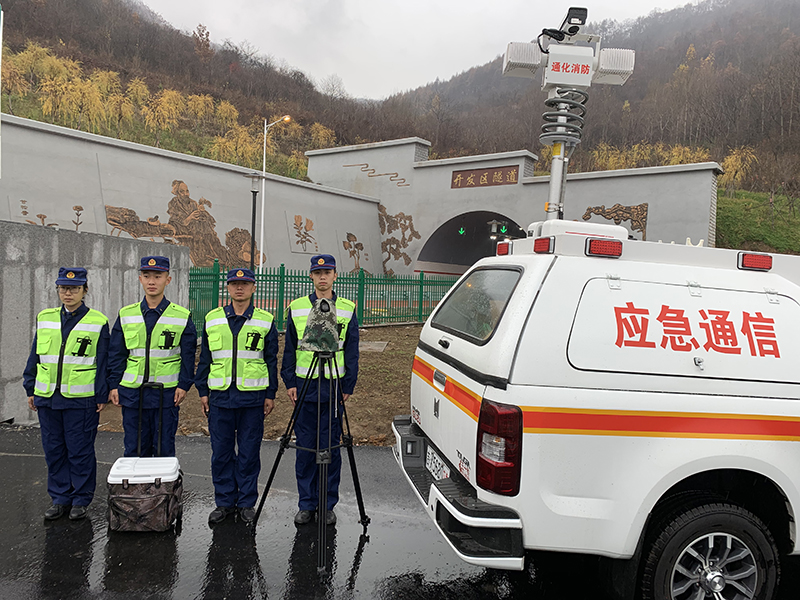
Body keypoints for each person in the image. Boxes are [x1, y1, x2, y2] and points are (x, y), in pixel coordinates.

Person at [23, 267, 110, 521]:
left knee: (79, 450)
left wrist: (100, 395)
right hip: (48, 396)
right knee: (54, 449)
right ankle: (60, 497)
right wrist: (31, 387)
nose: (68, 293)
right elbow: (35, 356)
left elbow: (104, 362)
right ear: (58, 290)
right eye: (63, 288)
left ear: (85, 290)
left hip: (80, 399)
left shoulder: (97, 321)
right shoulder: (46, 317)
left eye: (74, 288)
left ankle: (81, 499)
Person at [281, 254, 359, 526]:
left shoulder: (347, 308)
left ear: (335, 275)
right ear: (311, 276)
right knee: (305, 447)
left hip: (333, 385)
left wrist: (348, 383)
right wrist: (289, 381)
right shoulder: (298, 307)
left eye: (327, 272)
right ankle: (306, 503)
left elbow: (352, 350)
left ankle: (327, 504)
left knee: (331, 448)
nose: (322, 277)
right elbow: (289, 348)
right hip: (304, 385)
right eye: (317, 272)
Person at [195, 268, 278, 525]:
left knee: (249, 453)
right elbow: (205, 359)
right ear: (227, 288)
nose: (239, 288)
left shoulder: (265, 320)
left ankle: (246, 503)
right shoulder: (212, 318)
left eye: (244, 284)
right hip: (220, 397)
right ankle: (224, 502)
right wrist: (202, 391)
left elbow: (271, 359)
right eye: (234, 284)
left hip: (252, 398)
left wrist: (270, 394)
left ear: (253, 288)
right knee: (220, 453)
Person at [108, 256, 197, 457]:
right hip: (133, 393)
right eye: (146, 276)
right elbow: (116, 354)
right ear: (140, 279)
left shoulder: (181, 316)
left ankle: (162, 487)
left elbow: (189, 356)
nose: (151, 281)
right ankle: (136, 487)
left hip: (166, 394)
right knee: (134, 447)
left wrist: (183, 385)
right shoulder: (126, 314)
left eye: (158, 276)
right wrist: (114, 385)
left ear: (168, 279)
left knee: (164, 447)